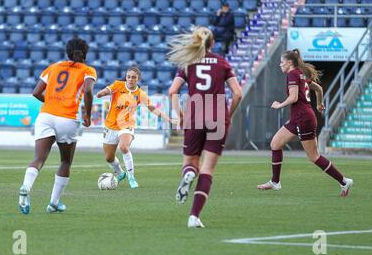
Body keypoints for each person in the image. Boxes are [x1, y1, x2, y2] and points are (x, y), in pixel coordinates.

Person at [167, 26, 243, 228]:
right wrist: (229, 114)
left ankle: (188, 173)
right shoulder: (222, 62)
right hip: (218, 114)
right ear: (213, 43)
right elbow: (238, 94)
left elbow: (172, 91)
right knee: (208, 169)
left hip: (194, 113)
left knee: (191, 161)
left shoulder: (188, 62)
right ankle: (194, 216)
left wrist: (180, 115)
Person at [257, 49, 353, 196]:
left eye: (282, 62)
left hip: (303, 118)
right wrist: (319, 104)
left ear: (289, 63)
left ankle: (344, 181)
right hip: (299, 118)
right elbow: (319, 89)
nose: (280, 65)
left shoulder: (293, 74)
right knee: (275, 144)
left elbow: (294, 97)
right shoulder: (300, 74)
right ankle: (275, 182)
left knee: (314, 156)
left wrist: (279, 105)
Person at [18, 36, 96, 214]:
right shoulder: (88, 70)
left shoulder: (53, 67)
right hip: (67, 118)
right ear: (85, 54)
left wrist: (52, 103)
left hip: (45, 116)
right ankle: (53, 203)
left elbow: (36, 92)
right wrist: (88, 115)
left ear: (67, 52)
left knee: (39, 159)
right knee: (65, 161)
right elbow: (89, 92)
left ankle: (25, 187)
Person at [96, 65, 175, 189]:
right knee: (109, 157)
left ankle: (131, 177)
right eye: (128, 77)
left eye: (133, 77)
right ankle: (121, 173)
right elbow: (107, 90)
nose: (130, 79)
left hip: (127, 125)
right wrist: (101, 93)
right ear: (126, 77)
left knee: (123, 147)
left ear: (137, 79)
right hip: (111, 125)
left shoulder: (140, 93)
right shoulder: (118, 85)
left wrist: (168, 119)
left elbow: (152, 108)